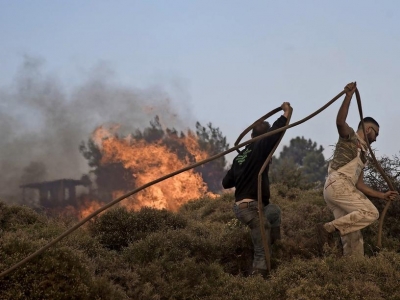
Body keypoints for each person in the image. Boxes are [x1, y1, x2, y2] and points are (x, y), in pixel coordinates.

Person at [318, 82, 398, 257]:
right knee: (370, 213)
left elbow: (360, 185)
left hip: (337, 190)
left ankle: (353, 271)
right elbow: (340, 121)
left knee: (353, 235)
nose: (376, 138)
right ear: (368, 129)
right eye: (375, 133)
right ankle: (330, 227)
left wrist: (382, 195)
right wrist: (348, 96)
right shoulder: (350, 138)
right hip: (338, 184)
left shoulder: (364, 155)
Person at [222, 102, 291, 278]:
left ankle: (276, 250)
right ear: (259, 136)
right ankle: (258, 284)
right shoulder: (260, 146)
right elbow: (276, 132)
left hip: (243, 208)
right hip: (251, 208)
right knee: (261, 252)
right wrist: (286, 113)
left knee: (274, 212)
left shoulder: (240, 157)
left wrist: (242, 171)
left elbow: (226, 183)